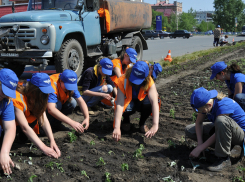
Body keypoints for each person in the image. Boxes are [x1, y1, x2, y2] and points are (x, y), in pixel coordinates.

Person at [186, 87, 245, 172]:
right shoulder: (208, 102)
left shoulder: (223, 105)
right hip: (227, 130)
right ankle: (225, 145)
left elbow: (219, 130)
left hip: (241, 135)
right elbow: (198, 123)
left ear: (209, 105)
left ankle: (223, 158)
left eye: (201, 110)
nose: (200, 112)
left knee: (221, 121)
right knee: (189, 130)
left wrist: (200, 148)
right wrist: (200, 144)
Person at [13, 73, 61, 158]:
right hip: (9, 123)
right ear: (33, 90)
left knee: (34, 118)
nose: (45, 95)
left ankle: (21, 139)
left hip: (24, 120)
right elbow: (25, 127)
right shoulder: (18, 96)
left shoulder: (39, 96)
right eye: (43, 92)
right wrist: (44, 148)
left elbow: (43, 119)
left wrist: (52, 140)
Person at [112, 61, 159, 142]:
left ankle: (142, 123)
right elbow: (119, 103)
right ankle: (126, 120)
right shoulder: (123, 80)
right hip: (128, 103)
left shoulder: (149, 81)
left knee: (150, 102)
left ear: (146, 77)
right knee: (124, 106)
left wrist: (155, 125)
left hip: (142, 102)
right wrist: (117, 127)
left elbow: (154, 102)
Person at [0, 69, 18, 175]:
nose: (4, 96)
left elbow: (10, 127)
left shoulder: (6, 101)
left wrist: (4, 152)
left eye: (8, 93)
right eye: (3, 91)